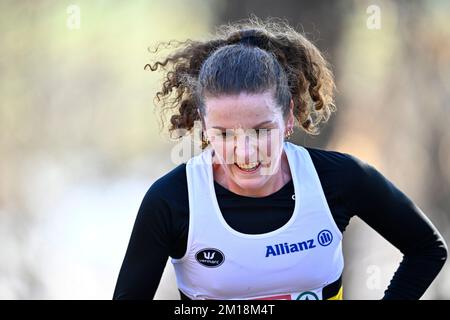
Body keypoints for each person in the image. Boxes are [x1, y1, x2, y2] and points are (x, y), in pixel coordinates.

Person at [113, 18, 447, 300]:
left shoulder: (340, 179)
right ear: (203, 125)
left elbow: (427, 249)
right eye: (225, 134)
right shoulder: (171, 201)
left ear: (288, 117)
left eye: (261, 131)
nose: (245, 152)